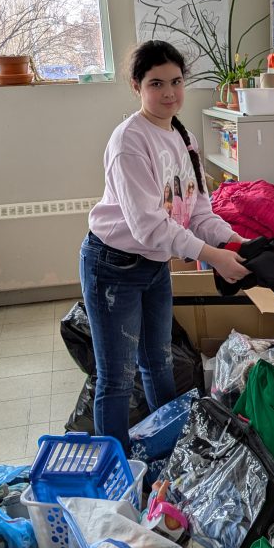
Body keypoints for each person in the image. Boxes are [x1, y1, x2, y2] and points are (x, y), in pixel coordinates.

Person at [80, 40, 248, 450]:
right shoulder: (129, 142)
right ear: (137, 86)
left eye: (176, 81)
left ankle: (170, 453)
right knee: (116, 377)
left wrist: (235, 241)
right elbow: (149, 227)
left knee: (159, 364)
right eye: (157, 83)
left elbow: (197, 211)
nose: (169, 93)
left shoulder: (183, 136)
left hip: (153, 267)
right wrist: (211, 257)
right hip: (113, 266)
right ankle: (118, 472)